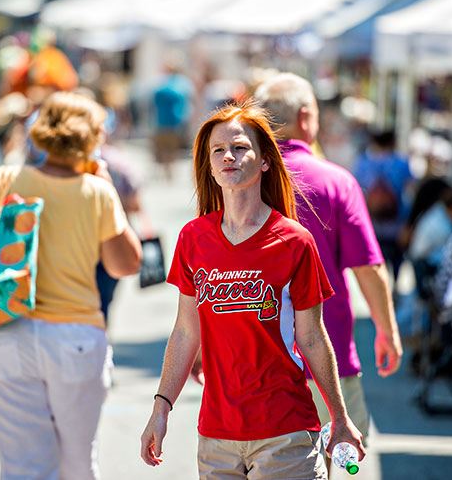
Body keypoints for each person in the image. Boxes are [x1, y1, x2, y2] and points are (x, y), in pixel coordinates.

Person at [140, 101, 365, 479]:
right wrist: (161, 407)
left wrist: (340, 418)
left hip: (285, 431)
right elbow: (185, 331)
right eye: (218, 150)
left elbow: (312, 337)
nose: (229, 155)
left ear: (263, 161)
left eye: (240, 147)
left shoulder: (295, 242)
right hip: (216, 436)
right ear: (209, 167)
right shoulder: (193, 238)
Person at [0, 91, 142, 480]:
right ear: (91, 139)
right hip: (73, 337)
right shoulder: (96, 191)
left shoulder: (7, 178)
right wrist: (108, 192)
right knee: (77, 463)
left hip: (4, 331)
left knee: (23, 467)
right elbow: (124, 264)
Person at [253, 73, 402, 449]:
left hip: (250, 363)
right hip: (325, 358)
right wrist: (387, 330)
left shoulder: (237, 181)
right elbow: (368, 268)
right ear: (305, 117)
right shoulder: (336, 182)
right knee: (336, 460)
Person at [353, 129, 415, 282]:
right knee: (396, 261)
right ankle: (394, 289)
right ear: (392, 142)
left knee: (376, 262)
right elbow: (410, 193)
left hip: (371, 224)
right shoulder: (402, 163)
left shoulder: (363, 163)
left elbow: (357, 193)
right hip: (398, 224)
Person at [151, 59, 193, 181]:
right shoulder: (183, 84)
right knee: (171, 148)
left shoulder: (162, 84)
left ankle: (168, 170)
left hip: (163, 121)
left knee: (165, 148)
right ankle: (170, 170)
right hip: (175, 121)